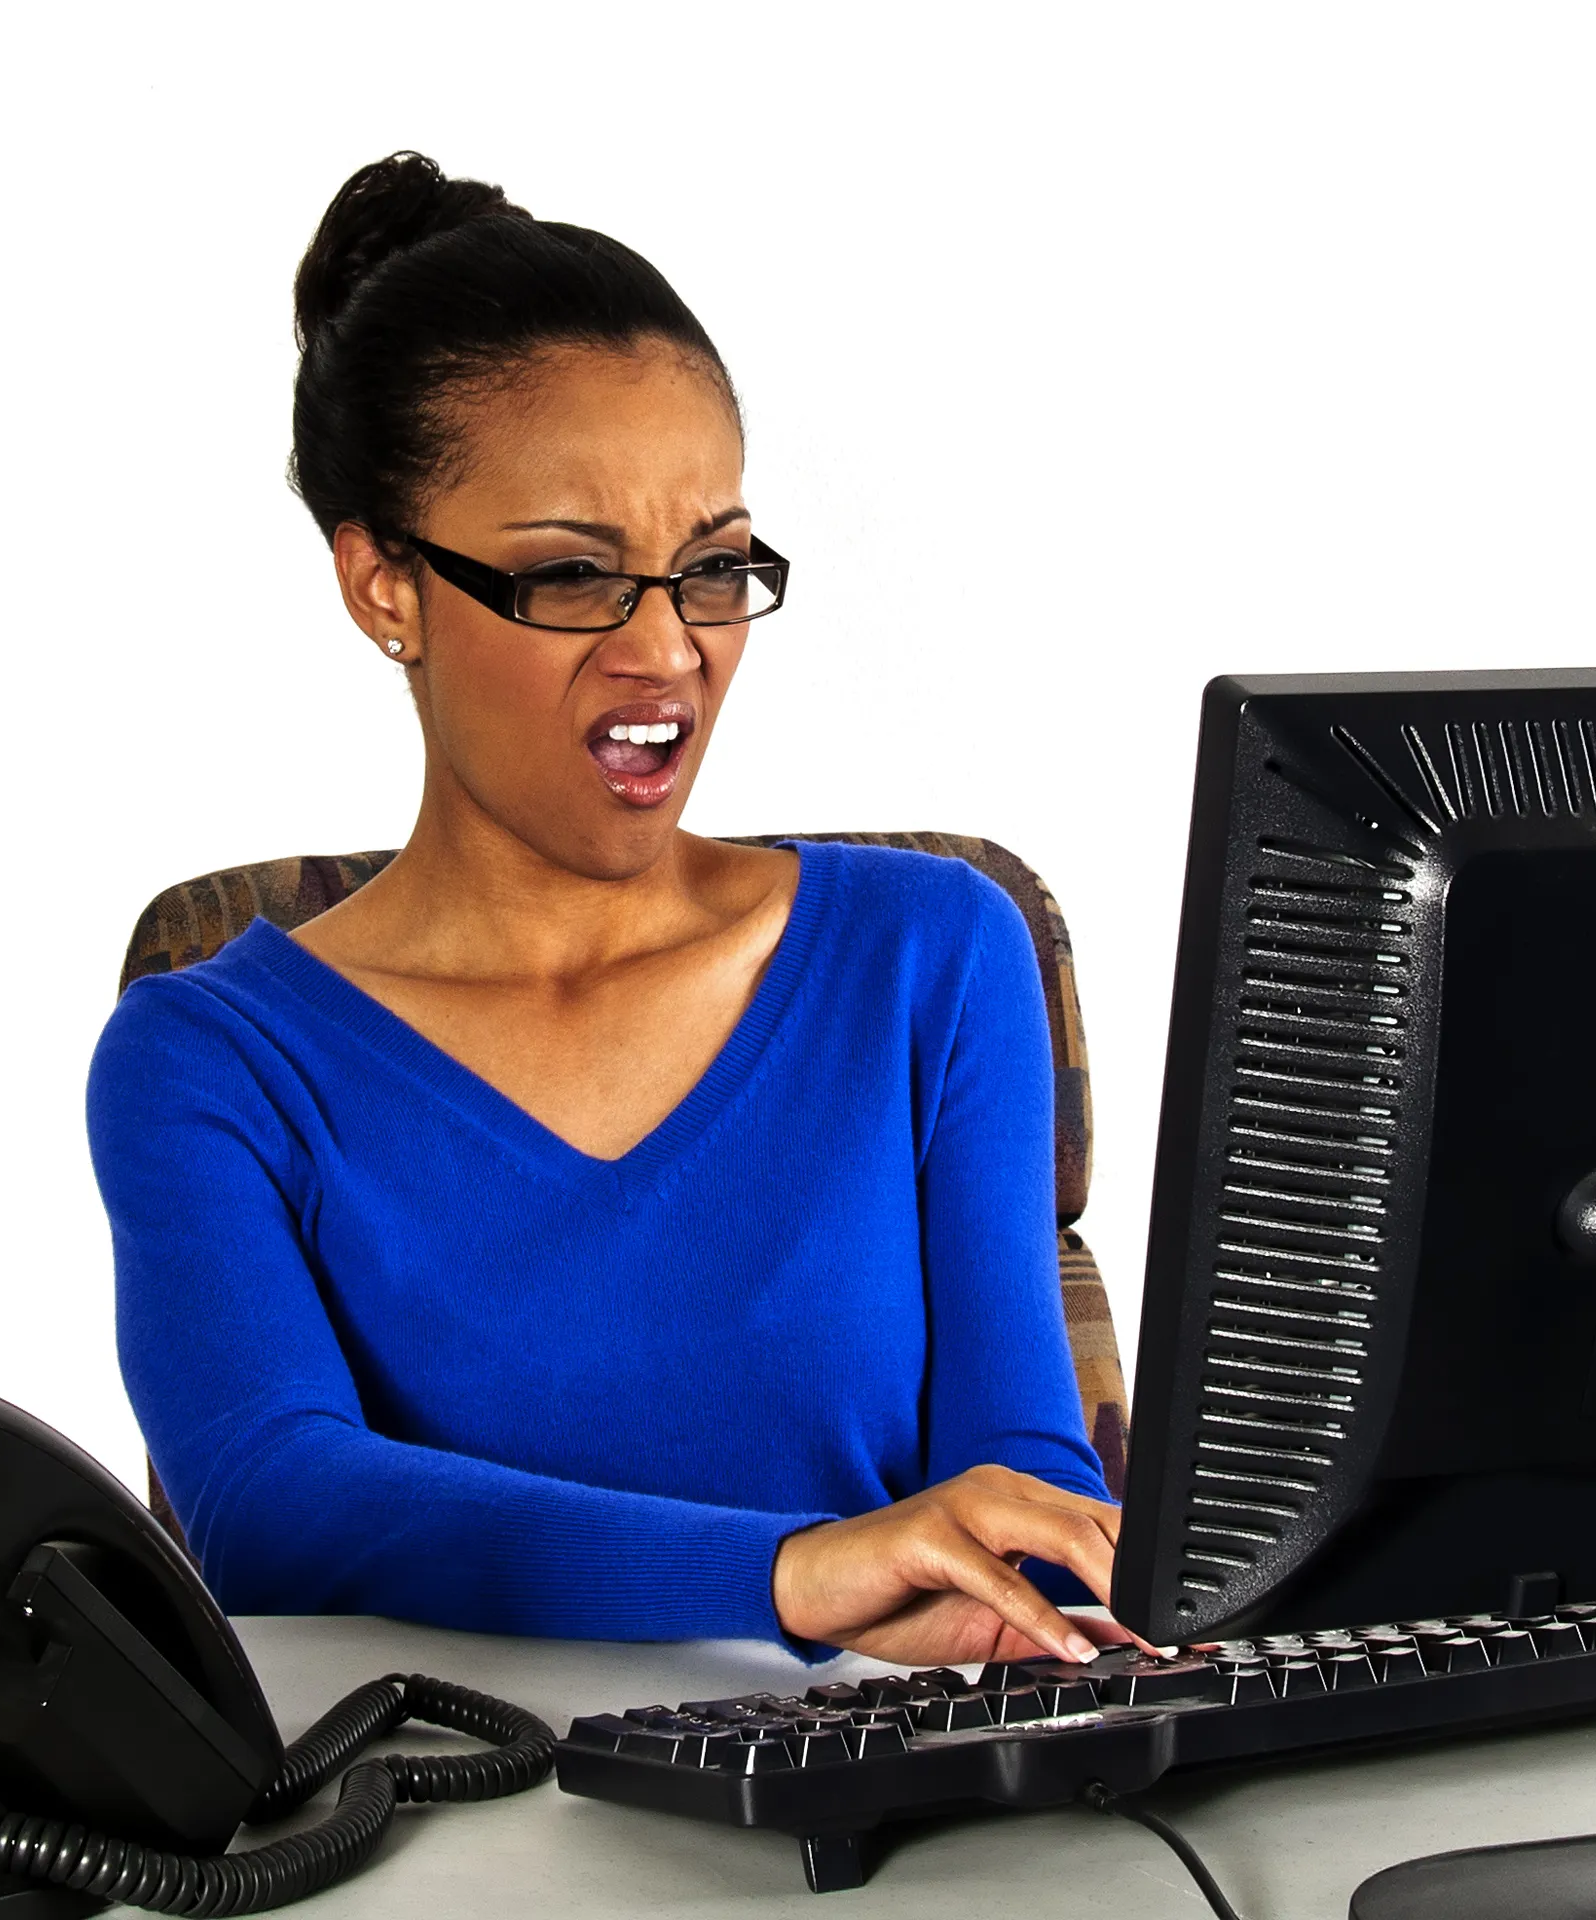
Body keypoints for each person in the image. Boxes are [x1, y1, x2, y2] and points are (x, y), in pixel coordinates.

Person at [87, 152, 1120, 1666]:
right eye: (576, 575)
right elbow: (270, 1505)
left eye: (712, 569)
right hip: (457, 1805)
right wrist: (786, 1574)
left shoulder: (935, 955)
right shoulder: (212, 1060)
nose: (670, 650)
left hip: (883, 1787)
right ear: (383, 587)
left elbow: (1027, 1482)